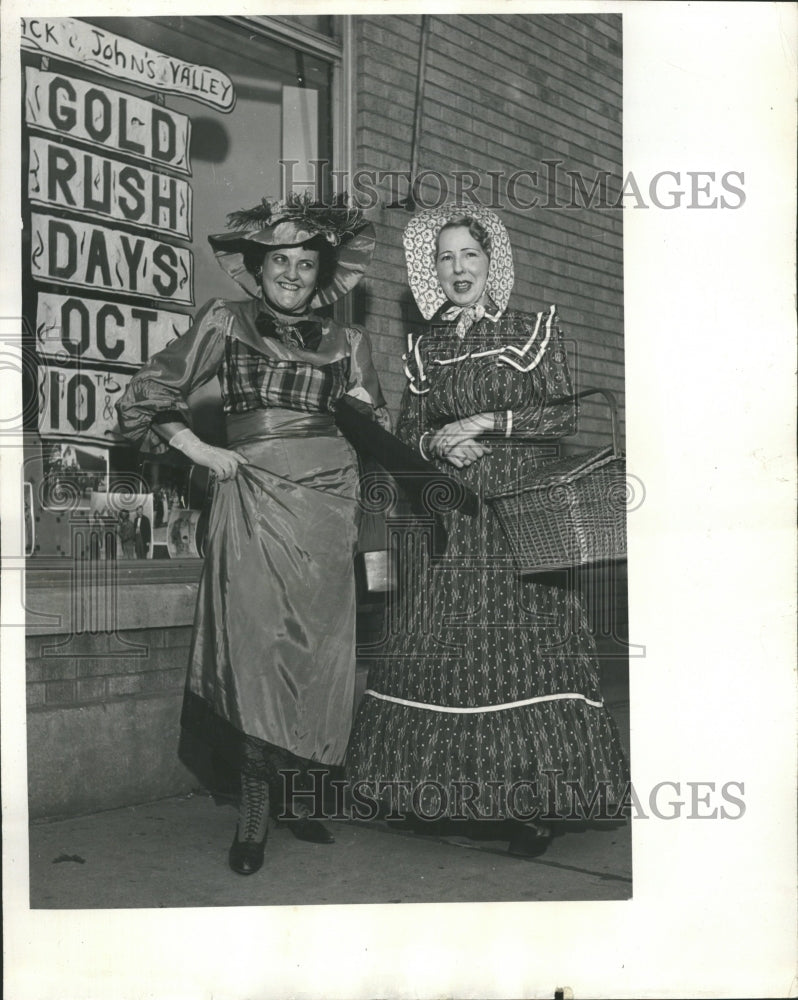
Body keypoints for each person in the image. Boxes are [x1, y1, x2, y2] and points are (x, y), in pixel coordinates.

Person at [345, 205, 628, 857]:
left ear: (491, 259)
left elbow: (558, 422)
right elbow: (409, 432)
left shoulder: (533, 329)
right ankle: (436, 793)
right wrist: (440, 443)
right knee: (438, 653)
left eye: (469, 254)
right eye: (444, 258)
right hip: (451, 515)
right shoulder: (426, 348)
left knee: (519, 655)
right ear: (431, 270)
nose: (457, 268)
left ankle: (527, 805)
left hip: (520, 516)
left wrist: (482, 427)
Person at [116, 194, 386, 875]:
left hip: (329, 512)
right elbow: (147, 392)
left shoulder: (350, 342)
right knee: (257, 656)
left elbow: (371, 430)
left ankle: (298, 798)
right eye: (279, 262)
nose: (292, 274)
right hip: (253, 504)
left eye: (305, 262)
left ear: (321, 273)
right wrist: (199, 452)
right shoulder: (224, 322)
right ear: (257, 268)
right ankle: (256, 809)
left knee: (316, 661)